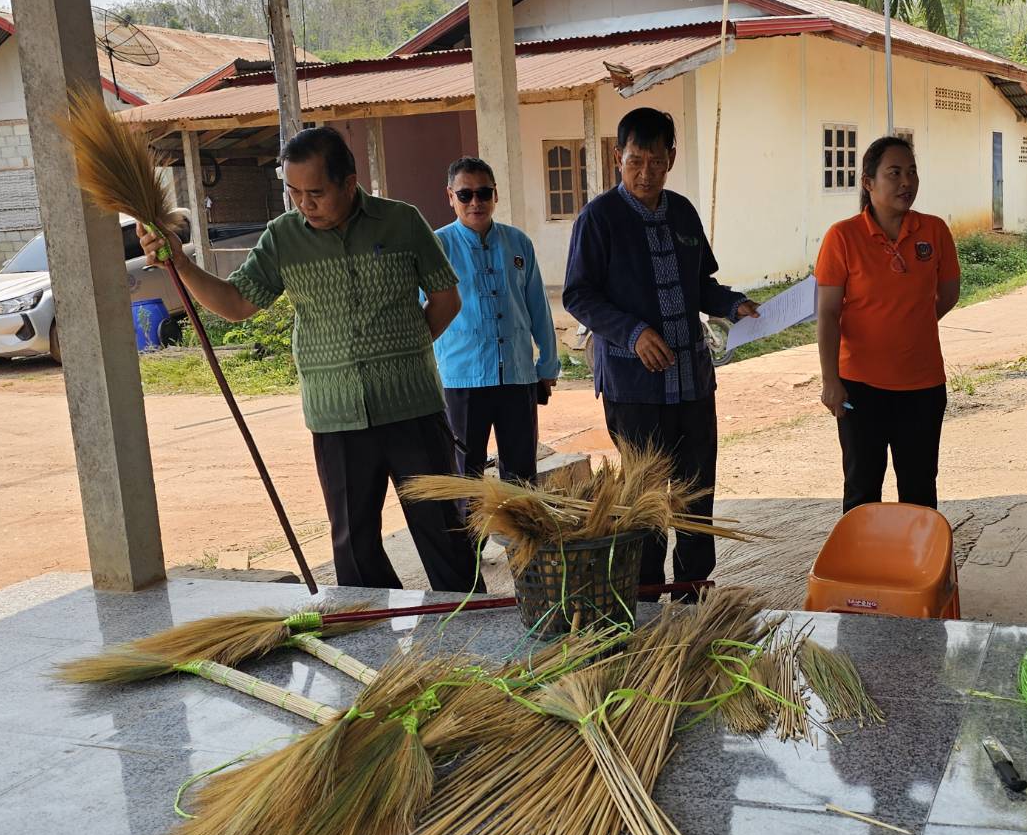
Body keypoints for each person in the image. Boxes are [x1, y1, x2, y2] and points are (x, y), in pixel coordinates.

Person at [137, 126, 477, 594]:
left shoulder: (401, 222)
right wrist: (181, 264)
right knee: (354, 547)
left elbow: (445, 298)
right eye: (293, 192)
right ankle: (376, 638)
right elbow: (238, 303)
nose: (304, 203)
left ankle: (471, 633)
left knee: (444, 532)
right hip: (334, 416)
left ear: (349, 183)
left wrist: (407, 349)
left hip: (413, 407)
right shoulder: (282, 238)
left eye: (316, 192)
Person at [563, 107, 757, 589]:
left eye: (655, 161)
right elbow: (578, 294)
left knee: (695, 494)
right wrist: (631, 332)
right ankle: (646, 593)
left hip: (692, 383)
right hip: (635, 389)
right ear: (617, 158)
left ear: (671, 157)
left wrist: (734, 305)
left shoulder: (684, 212)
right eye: (634, 161)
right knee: (644, 495)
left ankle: (693, 591)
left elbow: (701, 285)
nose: (645, 173)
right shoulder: (598, 219)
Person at [815, 136, 961, 511]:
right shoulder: (842, 237)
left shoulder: (934, 231)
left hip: (923, 388)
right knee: (863, 493)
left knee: (919, 492)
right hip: (860, 390)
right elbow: (828, 313)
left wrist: (911, 325)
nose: (906, 183)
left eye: (911, 172)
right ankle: (863, 570)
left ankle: (919, 570)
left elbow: (948, 294)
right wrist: (831, 380)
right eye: (894, 173)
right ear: (868, 182)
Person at [430, 156, 559, 489]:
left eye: (484, 193)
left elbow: (537, 308)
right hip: (461, 379)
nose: (476, 202)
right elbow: (420, 316)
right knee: (464, 477)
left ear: (495, 195)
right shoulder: (436, 247)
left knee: (521, 476)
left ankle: (520, 541)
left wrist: (546, 366)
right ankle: (468, 543)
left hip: (517, 376)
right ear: (450, 196)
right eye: (465, 194)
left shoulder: (518, 244)